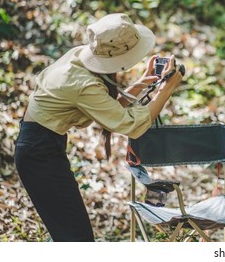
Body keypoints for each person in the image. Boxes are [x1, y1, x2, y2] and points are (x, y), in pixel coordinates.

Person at [14, 13, 184, 241]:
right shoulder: (82, 84)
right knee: (76, 236)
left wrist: (145, 81)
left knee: (67, 232)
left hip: (41, 146)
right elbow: (131, 125)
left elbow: (108, 109)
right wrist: (167, 90)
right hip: (39, 152)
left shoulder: (76, 59)